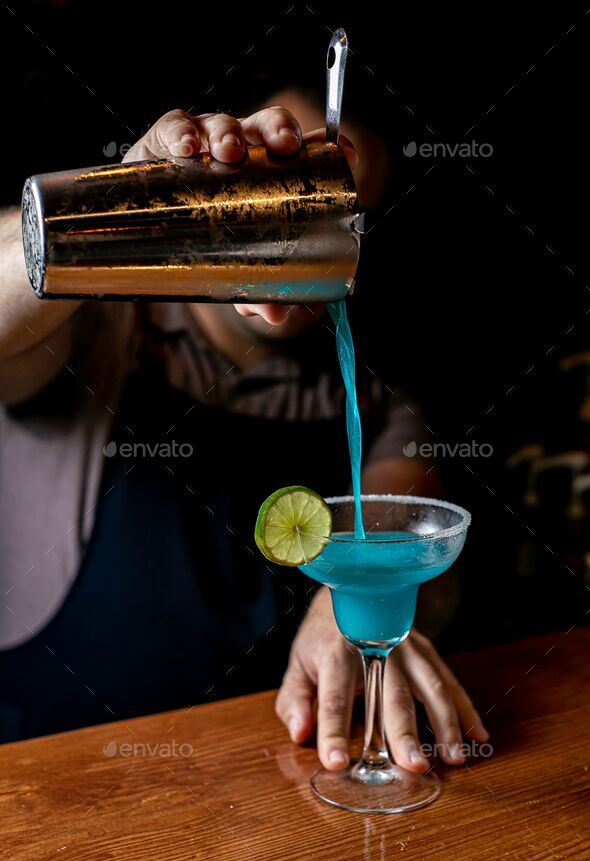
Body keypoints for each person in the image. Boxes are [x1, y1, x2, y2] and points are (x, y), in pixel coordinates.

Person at [0, 97, 488, 772]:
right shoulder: (95, 327)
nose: (296, 212)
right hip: (64, 784)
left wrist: (358, 612)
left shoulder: (373, 395)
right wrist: (127, 201)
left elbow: (410, 524)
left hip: (277, 794)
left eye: (338, 197)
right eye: (275, 173)